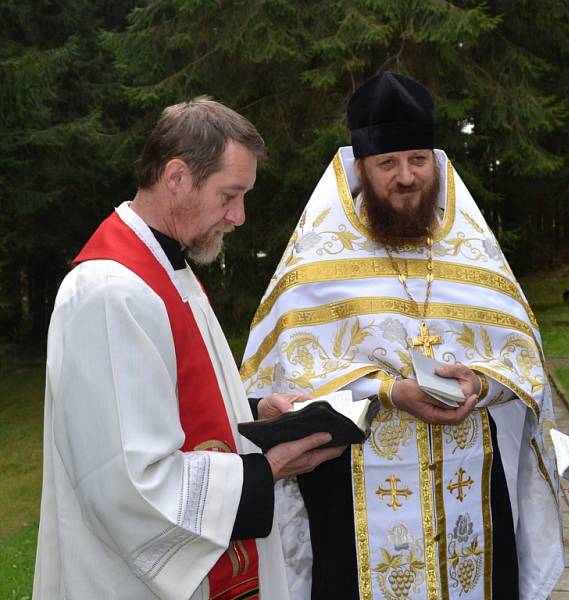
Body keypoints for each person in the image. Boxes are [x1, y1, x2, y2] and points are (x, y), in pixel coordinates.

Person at [241, 71, 564, 599]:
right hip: (352, 500)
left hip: (470, 497)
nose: (407, 177)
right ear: (360, 167)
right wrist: (389, 389)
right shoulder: (316, 263)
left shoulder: (472, 250)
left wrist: (482, 385)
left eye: (418, 160)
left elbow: (524, 363)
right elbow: (282, 382)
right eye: (387, 164)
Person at [33, 98, 345, 600]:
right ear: (177, 176)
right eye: (230, 194)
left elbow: (167, 407)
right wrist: (267, 471)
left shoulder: (169, 272)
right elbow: (130, 484)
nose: (239, 216)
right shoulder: (112, 290)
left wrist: (255, 414)